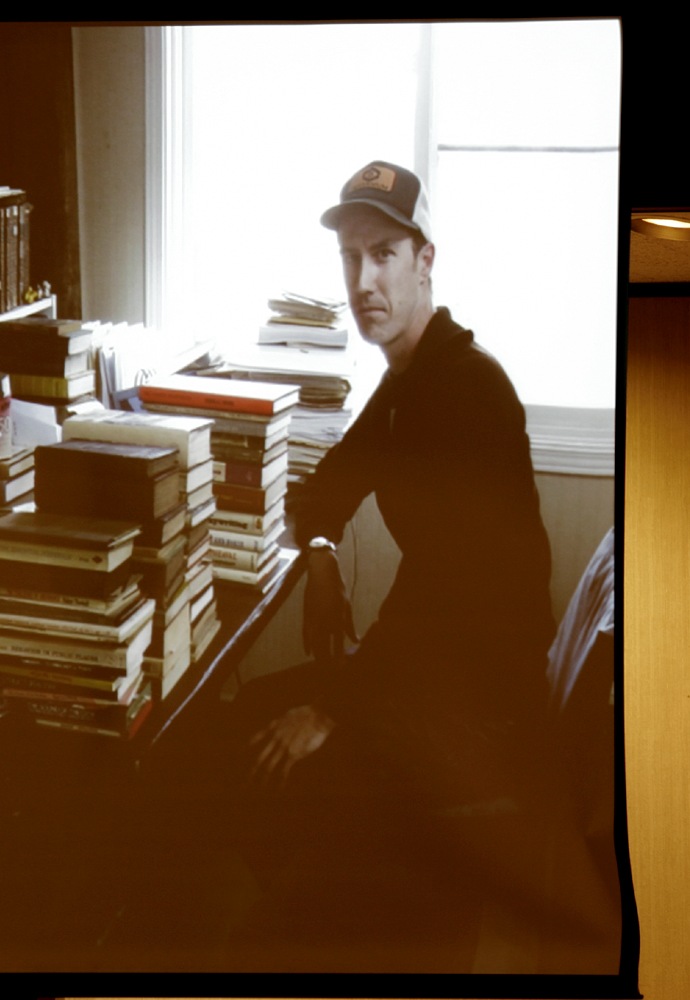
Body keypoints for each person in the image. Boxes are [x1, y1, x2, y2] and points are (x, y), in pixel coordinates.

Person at [210, 160, 558, 971]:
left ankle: (325, 925)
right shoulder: (410, 380)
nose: (363, 279)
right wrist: (324, 555)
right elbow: (326, 489)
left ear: (424, 259)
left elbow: (463, 599)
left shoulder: (466, 390)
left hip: (477, 704)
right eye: (350, 258)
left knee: (262, 741)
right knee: (250, 722)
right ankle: (320, 909)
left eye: (383, 256)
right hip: (435, 673)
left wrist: (340, 708)